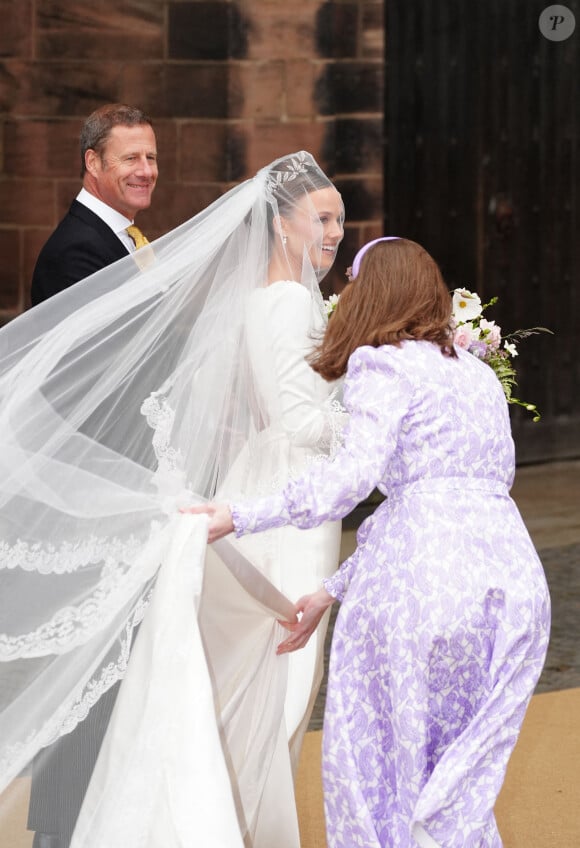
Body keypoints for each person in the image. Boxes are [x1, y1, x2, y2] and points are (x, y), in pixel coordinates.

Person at [0, 152, 345, 848]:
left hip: (275, 483)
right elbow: (299, 421)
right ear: (282, 225)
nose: (337, 231)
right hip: (292, 498)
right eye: (324, 217)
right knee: (279, 680)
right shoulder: (285, 304)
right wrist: (376, 409)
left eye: (340, 217)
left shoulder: (272, 298)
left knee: (261, 678)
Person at [189, 237, 551, 847]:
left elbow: (354, 481)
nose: (344, 296)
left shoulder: (382, 365)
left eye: (352, 284)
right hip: (512, 589)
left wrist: (242, 515)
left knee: (376, 766)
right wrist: (329, 591)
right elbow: (452, 499)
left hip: (418, 596)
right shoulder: (481, 375)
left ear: (374, 292)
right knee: (454, 775)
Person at [31, 102, 157, 305]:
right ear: (93, 163)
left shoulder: (127, 236)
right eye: (131, 158)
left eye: (150, 157)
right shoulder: (74, 253)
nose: (147, 172)